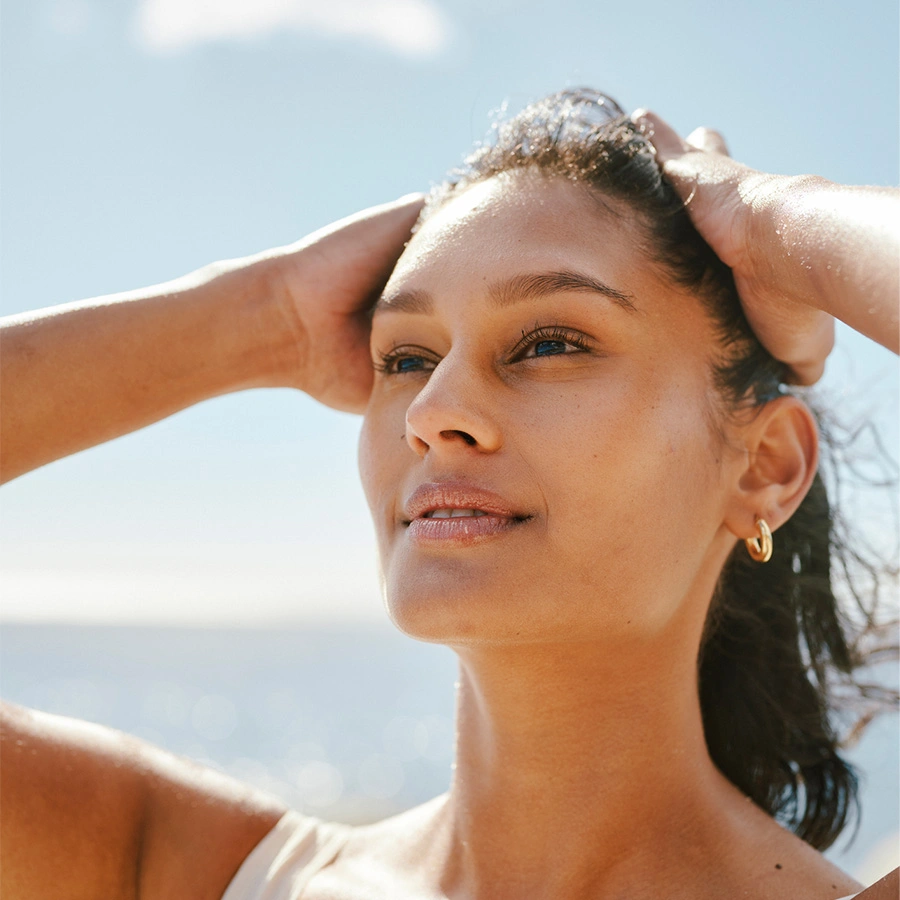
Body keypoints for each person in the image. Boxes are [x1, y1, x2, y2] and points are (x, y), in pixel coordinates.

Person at [0, 89, 897, 900]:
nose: (432, 413)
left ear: (764, 466)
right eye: (405, 358)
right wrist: (264, 317)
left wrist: (773, 220)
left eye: (549, 341)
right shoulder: (201, 874)